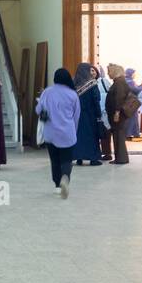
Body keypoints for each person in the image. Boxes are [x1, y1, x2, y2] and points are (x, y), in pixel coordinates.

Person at [36, 68, 81, 198]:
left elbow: (38, 110)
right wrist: (74, 130)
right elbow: (76, 115)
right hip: (67, 132)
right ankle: (65, 177)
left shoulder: (47, 92)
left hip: (51, 133)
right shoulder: (73, 95)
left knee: (54, 160)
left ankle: (57, 186)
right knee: (67, 159)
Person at [72, 62, 103, 166]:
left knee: (78, 136)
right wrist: (99, 115)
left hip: (76, 116)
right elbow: (96, 100)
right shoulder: (92, 84)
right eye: (90, 70)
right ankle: (93, 159)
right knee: (91, 136)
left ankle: (79, 157)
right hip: (90, 115)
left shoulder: (73, 84)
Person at [105, 63, 132, 165]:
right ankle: (120, 158)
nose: (108, 74)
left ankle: (121, 159)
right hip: (117, 114)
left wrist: (116, 112)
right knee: (117, 135)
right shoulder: (119, 82)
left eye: (109, 71)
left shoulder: (119, 83)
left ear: (115, 72)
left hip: (118, 115)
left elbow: (119, 98)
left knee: (118, 136)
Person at [94, 63, 113, 161]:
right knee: (95, 134)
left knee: (106, 133)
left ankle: (107, 153)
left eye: (94, 71)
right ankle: (96, 153)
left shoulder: (103, 81)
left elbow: (111, 92)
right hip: (94, 112)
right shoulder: (87, 83)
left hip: (105, 112)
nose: (92, 73)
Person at [124, 68, 142, 140]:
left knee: (130, 119)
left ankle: (132, 134)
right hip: (132, 103)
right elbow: (136, 90)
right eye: (134, 73)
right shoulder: (130, 82)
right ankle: (130, 134)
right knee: (132, 119)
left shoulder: (126, 81)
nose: (135, 75)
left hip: (127, 103)